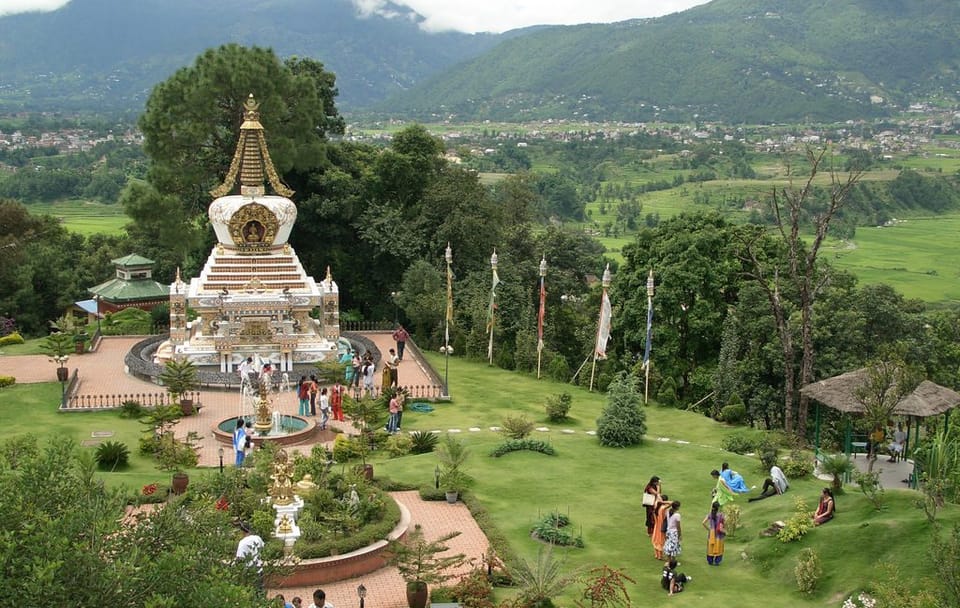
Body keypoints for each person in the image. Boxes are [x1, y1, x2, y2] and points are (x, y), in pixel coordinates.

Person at [236, 521, 264, 590]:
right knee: (259, 591)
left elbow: (240, 558)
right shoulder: (258, 538)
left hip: (249, 571)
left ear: (242, 531)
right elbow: (263, 548)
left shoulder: (242, 542)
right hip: (259, 569)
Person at [702, 501, 725, 565]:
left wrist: (709, 529)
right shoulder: (721, 515)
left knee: (710, 547)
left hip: (711, 533)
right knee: (719, 546)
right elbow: (724, 523)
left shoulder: (710, 514)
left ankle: (710, 561)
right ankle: (717, 561)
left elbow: (703, 523)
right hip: (719, 534)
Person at [651, 494, 670, 560]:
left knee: (656, 539)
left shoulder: (656, 506)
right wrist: (663, 502)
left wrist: (660, 501)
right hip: (661, 525)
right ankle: (660, 556)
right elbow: (672, 503)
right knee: (661, 540)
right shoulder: (662, 508)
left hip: (656, 525)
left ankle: (656, 554)